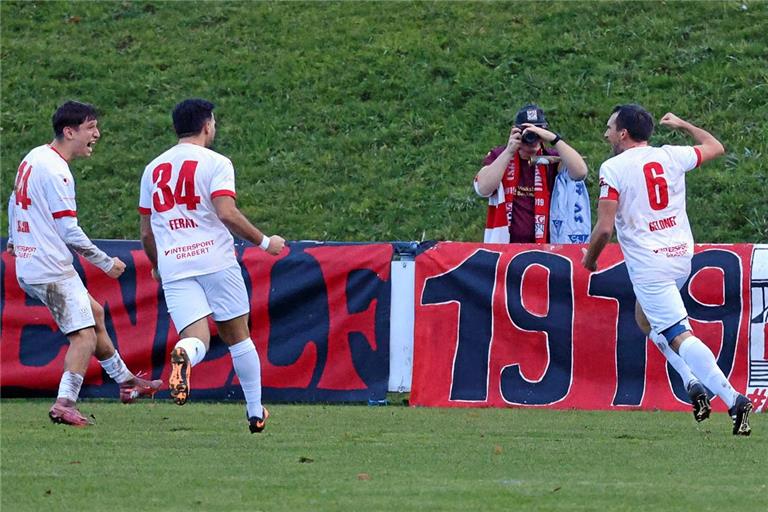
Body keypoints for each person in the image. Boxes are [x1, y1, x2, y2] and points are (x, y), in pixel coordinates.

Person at [582, 104, 753, 435]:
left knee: (679, 335)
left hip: (650, 266)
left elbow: (604, 229)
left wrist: (590, 259)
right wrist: (683, 124)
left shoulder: (613, 168)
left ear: (623, 134)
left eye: (610, 128)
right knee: (645, 320)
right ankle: (691, 381)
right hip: (680, 258)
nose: (606, 134)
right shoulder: (671, 155)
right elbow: (715, 146)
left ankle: (734, 399)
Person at [6, 101, 162, 427]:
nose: (97, 134)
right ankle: (64, 403)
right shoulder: (57, 171)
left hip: (33, 263)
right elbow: (69, 231)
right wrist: (105, 263)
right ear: (69, 131)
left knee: (95, 313)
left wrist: (14, 238)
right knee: (84, 337)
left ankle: (126, 381)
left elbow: (14, 200)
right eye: (90, 128)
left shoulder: (34, 157)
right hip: (49, 267)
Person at [138, 98, 285, 433]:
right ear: (207, 125)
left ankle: (184, 355)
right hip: (214, 259)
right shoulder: (216, 162)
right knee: (238, 337)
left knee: (196, 339)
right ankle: (254, 412)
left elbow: (146, 232)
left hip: (174, 264)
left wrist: (157, 265)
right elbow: (226, 212)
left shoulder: (153, 169)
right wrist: (265, 243)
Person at [474, 104, 590, 244]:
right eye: (527, 132)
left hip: (547, 245)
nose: (532, 137)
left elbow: (580, 173)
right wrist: (509, 151)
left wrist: (554, 139)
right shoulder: (501, 156)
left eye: (537, 131)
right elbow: (483, 188)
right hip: (506, 246)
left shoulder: (552, 157)